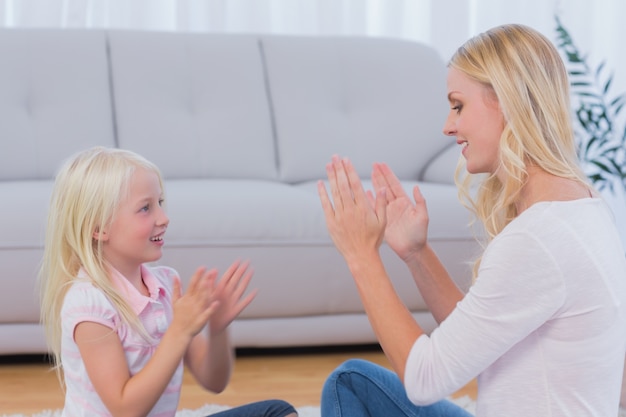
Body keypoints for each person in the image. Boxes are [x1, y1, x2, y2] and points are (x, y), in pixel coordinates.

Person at [317, 23, 626, 417]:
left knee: (350, 384)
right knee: (353, 381)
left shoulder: (537, 239)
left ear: (506, 101)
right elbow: (479, 338)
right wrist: (416, 253)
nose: (448, 126)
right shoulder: (584, 208)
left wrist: (361, 254)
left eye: (458, 105)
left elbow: (425, 378)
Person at [39, 146, 297, 417]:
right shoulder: (88, 303)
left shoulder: (165, 285)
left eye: (160, 203)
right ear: (99, 228)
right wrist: (179, 332)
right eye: (145, 208)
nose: (163, 218)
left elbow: (214, 381)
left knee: (279, 412)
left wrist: (217, 329)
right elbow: (126, 408)